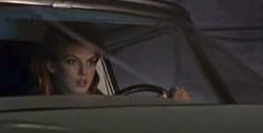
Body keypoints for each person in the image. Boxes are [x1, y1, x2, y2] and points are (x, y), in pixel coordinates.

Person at [31, 24, 190, 100]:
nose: (83, 72)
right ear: (52, 66)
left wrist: (179, 107)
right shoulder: (32, 107)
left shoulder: (106, 104)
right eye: (72, 62)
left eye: (90, 62)